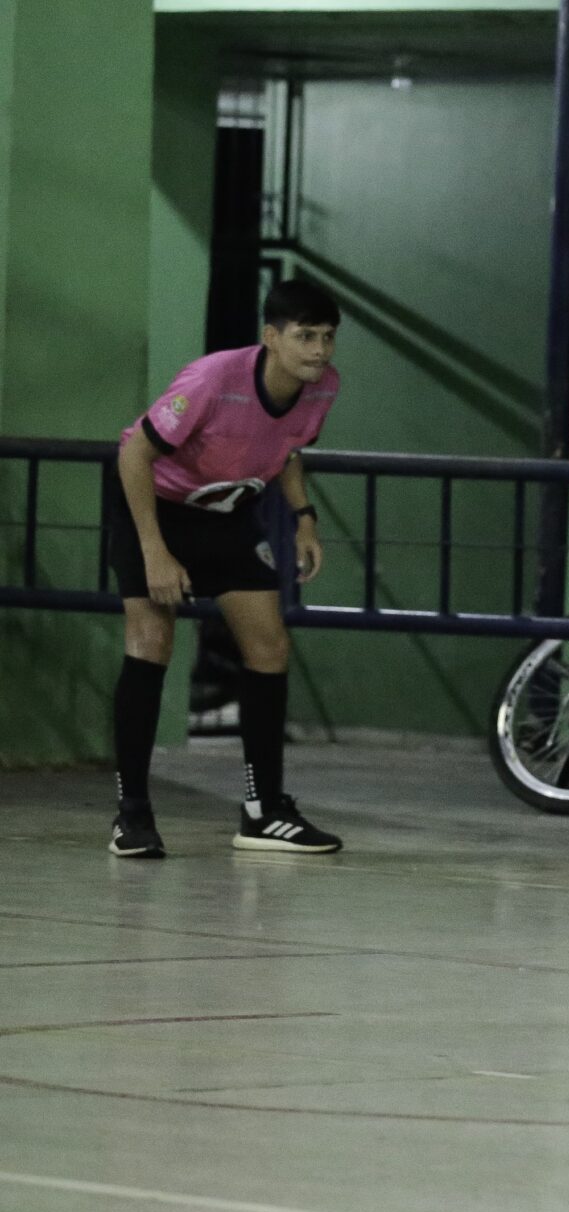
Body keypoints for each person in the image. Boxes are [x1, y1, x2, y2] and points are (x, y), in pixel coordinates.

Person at [107, 278, 345, 858]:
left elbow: (285, 446)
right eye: (305, 336)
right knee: (151, 642)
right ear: (271, 336)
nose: (318, 350)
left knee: (269, 647)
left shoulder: (322, 388)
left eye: (328, 337)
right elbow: (135, 451)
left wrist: (304, 518)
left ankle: (262, 812)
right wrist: (154, 551)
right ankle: (131, 815)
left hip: (230, 511)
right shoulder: (214, 379)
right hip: (156, 506)